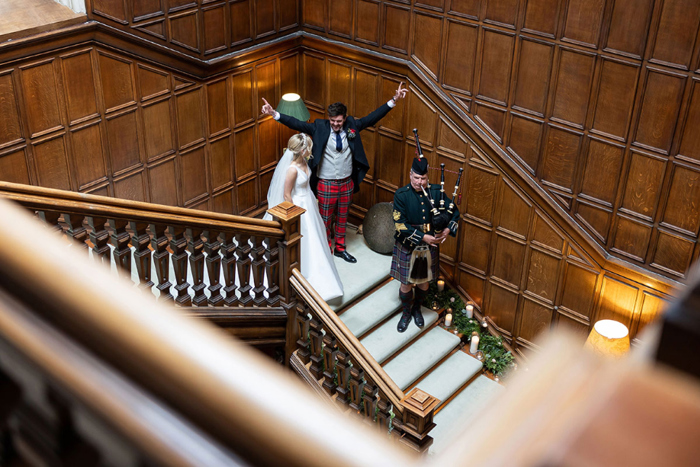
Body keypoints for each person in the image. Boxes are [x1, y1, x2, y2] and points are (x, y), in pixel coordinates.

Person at [261, 83, 409, 264]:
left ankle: (340, 248)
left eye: (339, 121)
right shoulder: (319, 126)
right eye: (333, 121)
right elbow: (296, 123)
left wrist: (394, 100)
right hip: (326, 182)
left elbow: (372, 118)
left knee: (343, 217)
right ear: (329, 118)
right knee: (324, 218)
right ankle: (325, 250)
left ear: (344, 118)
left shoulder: (352, 125)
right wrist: (273, 113)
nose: (336, 124)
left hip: (347, 182)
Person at [264, 134, 344, 301]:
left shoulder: (304, 162)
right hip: (298, 206)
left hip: (309, 202)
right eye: (309, 147)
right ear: (302, 150)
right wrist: (294, 215)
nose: (311, 149)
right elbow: (286, 195)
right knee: (304, 239)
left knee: (316, 238)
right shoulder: (292, 169)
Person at [391, 157, 460, 333]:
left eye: (423, 178)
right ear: (410, 175)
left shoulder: (436, 192)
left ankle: (417, 309)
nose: (419, 182)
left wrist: (446, 231)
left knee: (424, 283)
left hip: (430, 246)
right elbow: (400, 225)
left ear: (427, 177)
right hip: (408, 243)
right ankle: (406, 313)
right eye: (416, 178)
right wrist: (424, 237)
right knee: (406, 283)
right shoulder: (401, 195)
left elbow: (455, 213)